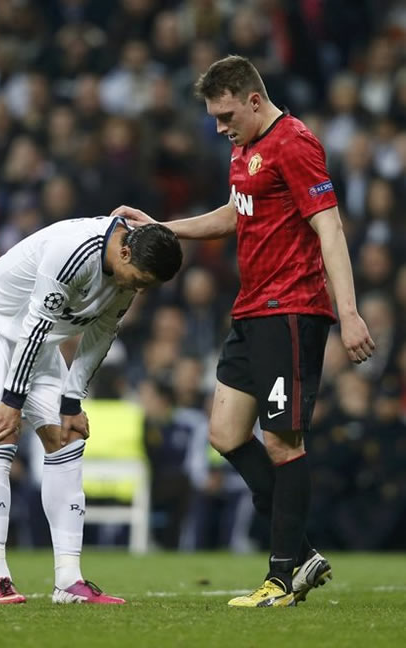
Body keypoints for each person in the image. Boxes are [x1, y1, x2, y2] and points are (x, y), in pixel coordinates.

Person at [112, 55, 375, 608]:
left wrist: (347, 312)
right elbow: (237, 215)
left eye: (226, 114)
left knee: (282, 441)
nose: (219, 127)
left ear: (254, 100)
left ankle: (282, 577)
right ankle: (300, 552)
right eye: (214, 116)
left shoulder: (295, 143)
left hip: (292, 309)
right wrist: (162, 227)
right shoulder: (245, 149)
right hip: (251, 309)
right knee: (226, 434)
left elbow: (330, 227)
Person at [0, 215, 182, 604]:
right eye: (138, 278)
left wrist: (72, 402)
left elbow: (100, 334)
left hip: (34, 345)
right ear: (124, 250)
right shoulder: (75, 251)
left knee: (67, 438)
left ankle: (69, 581)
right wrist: (12, 402)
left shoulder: (127, 272)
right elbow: (37, 325)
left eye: (146, 285)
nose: (138, 288)